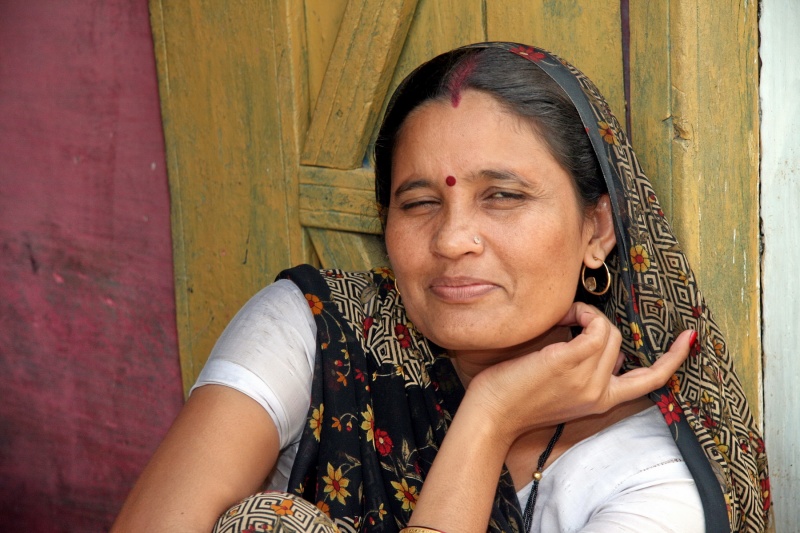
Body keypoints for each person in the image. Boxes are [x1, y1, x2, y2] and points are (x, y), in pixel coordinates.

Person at [113, 43, 769, 533]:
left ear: (597, 227)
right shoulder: (321, 330)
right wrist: (490, 417)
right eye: (420, 202)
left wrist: (486, 417)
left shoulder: (653, 478)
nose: (454, 239)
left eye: (503, 196)